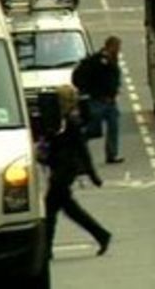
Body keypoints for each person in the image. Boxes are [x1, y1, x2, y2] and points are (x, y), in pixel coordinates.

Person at [45, 85, 111, 259]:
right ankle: (101, 235)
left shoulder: (71, 122)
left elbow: (83, 150)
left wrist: (93, 174)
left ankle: (45, 249)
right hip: (61, 169)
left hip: (65, 171)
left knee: (51, 210)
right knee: (69, 209)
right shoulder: (61, 120)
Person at [73, 36, 124, 164]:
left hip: (110, 101)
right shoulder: (95, 60)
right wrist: (89, 91)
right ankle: (77, 148)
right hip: (97, 100)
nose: (119, 50)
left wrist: (114, 90)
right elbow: (81, 77)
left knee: (114, 126)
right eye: (117, 47)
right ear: (110, 46)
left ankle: (111, 154)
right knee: (93, 130)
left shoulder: (112, 60)